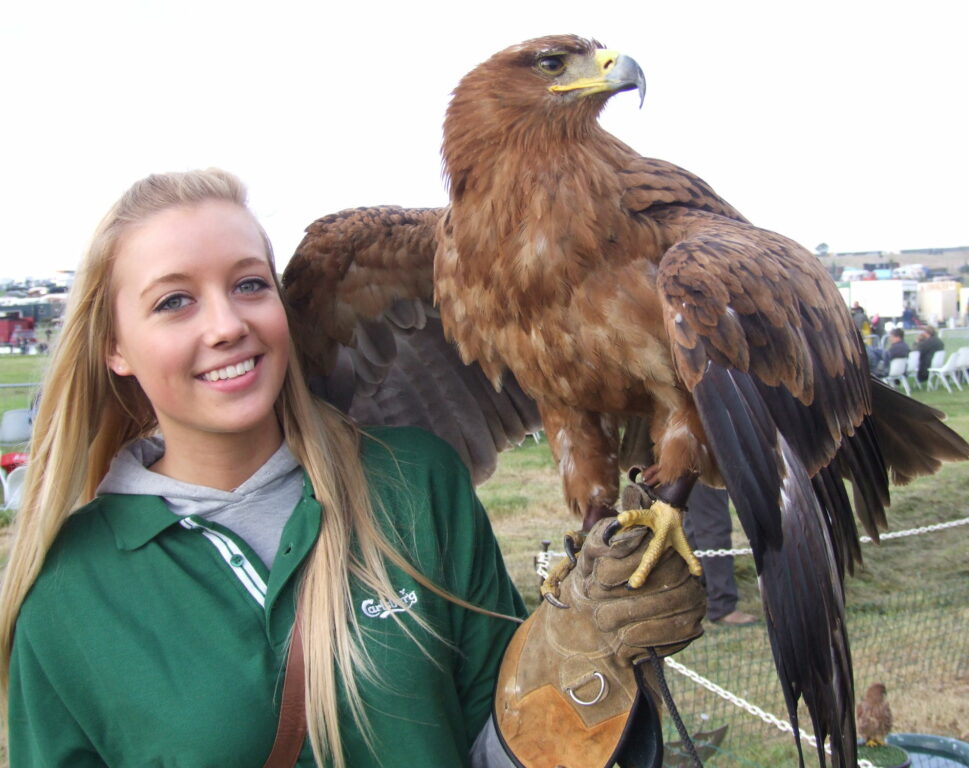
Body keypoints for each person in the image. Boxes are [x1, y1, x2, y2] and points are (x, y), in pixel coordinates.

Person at [0, 169, 704, 768]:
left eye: (250, 285)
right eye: (174, 301)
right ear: (114, 346)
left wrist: (586, 665)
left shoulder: (415, 487)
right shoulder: (67, 595)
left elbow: (505, 742)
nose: (226, 325)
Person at [684, 485, 758, 625]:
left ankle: (698, 597)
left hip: (683, 465)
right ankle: (722, 607)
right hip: (700, 465)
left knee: (693, 520)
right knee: (713, 523)